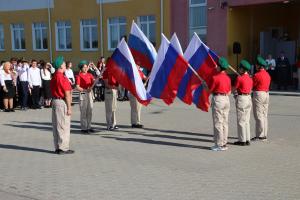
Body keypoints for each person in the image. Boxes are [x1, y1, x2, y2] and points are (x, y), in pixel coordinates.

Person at [50, 56, 74, 155]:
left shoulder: (54, 76)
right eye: (64, 64)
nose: (65, 65)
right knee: (63, 125)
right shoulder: (62, 77)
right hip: (61, 102)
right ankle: (63, 148)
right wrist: (69, 107)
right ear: (60, 66)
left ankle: (58, 146)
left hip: (55, 101)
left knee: (57, 125)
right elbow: (67, 94)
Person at [209, 57, 231, 151]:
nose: (216, 67)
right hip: (226, 99)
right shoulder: (228, 78)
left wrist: (205, 86)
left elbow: (211, 90)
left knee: (218, 122)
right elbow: (229, 89)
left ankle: (219, 144)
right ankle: (224, 143)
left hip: (218, 99)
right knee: (225, 122)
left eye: (217, 65)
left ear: (219, 67)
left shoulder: (215, 77)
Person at [233, 60, 253, 146]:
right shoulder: (250, 78)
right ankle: (247, 139)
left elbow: (234, 89)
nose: (239, 70)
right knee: (247, 120)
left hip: (242, 98)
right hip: (248, 98)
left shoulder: (239, 78)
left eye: (240, 68)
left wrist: (235, 95)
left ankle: (242, 140)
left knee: (241, 120)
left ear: (242, 69)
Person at [251, 56, 271, 142]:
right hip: (266, 94)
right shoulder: (267, 74)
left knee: (259, 115)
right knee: (264, 115)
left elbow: (252, 85)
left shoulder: (256, 75)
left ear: (259, 66)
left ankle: (260, 135)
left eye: (257, 65)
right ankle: (264, 134)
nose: (256, 66)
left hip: (259, 94)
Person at [75, 60, 97, 133]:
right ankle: (84, 128)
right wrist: (84, 90)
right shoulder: (79, 76)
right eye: (84, 67)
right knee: (83, 111)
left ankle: (89, 126)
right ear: (81, 68)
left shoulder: (90, 75)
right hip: (83, 94)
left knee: (90, 111)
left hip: (90, 94)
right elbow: (77, 87)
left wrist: (96, 71)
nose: (85, 68)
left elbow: (95, 81)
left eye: (86, 67)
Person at [103, 61, 119, 131]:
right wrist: (114, 87)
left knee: (114, 108)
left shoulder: (115, 71)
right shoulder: (106, 71)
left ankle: (114, 124)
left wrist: (118, 87)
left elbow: (117, 81)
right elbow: (106, 84)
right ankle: (109, 125)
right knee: (109, 109)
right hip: (109, 90)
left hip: (114, 90)